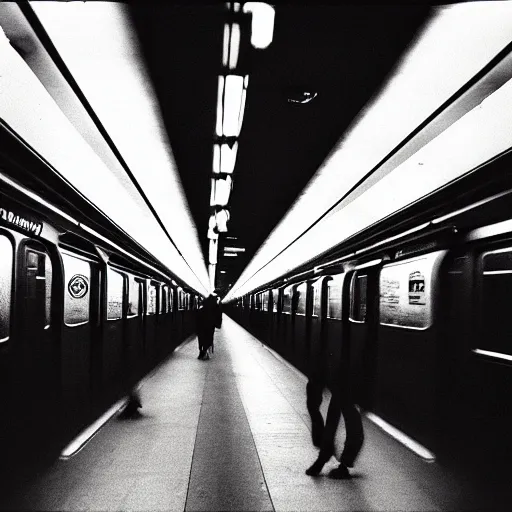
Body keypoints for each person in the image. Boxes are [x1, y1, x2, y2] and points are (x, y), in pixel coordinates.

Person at [305, 341, 364, 479]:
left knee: (343, 408)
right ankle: (326, 449)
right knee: (322, 404)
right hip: (334, 361)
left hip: (342, 367)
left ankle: (337, 458)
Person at [197, 294, 222, 360]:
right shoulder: (215, 306)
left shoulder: (203, 305)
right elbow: (219, 315)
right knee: (209, 337)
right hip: (210, 324)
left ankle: (201, 351)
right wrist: (218, 324)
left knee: (201, 338)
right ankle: (205, 351)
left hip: (201, 324)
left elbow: (198, 315)